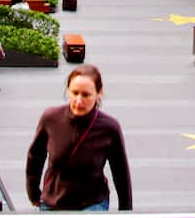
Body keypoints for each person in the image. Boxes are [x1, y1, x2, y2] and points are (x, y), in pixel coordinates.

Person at [27, 64, 131, 211]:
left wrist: (125, 211)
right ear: (68, 90)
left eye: (86, 95)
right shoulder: (50, 118)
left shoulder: (109, 127)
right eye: (74, 93)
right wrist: (33, 192)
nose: (79, 101)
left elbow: (120, 172)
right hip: (53, 203)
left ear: (98, 93)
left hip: (92, 204)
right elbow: (35, 157)